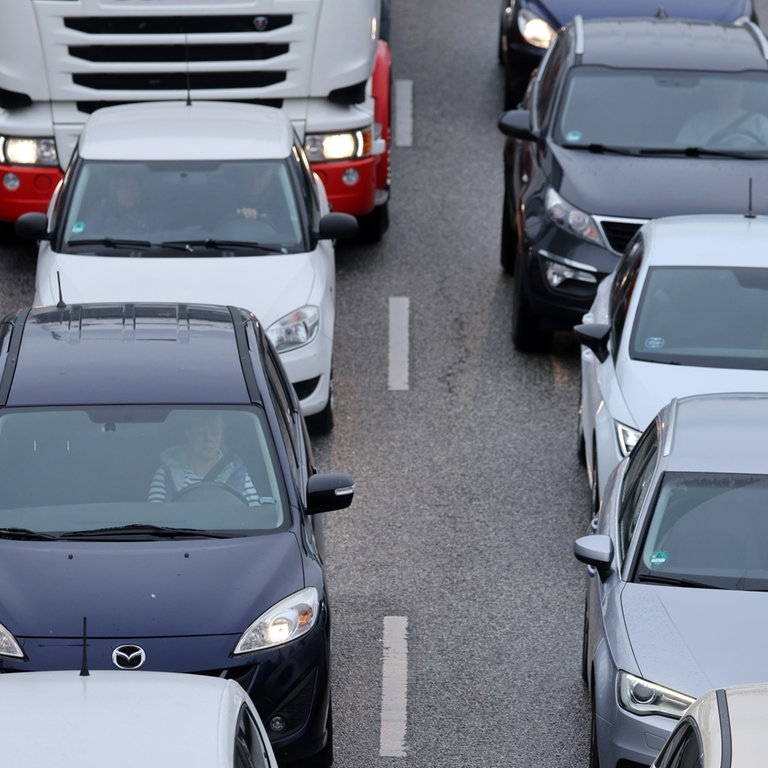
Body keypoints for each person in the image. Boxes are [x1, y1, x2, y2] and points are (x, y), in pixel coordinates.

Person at [148, 412, 263, 505]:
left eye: (215, 432)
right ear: (189, 434)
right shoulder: (165, 474)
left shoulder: (237, 473)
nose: (209, 438)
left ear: (222, 435)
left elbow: (254, 513)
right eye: (201, 432)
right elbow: (155, 518)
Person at [676, 80, 768, 149]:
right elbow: (682, 151)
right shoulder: (697, 121)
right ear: (716, 93)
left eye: (734, 87)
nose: (729, 91)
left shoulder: (759, 122)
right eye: (724, 87)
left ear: (743, 91)